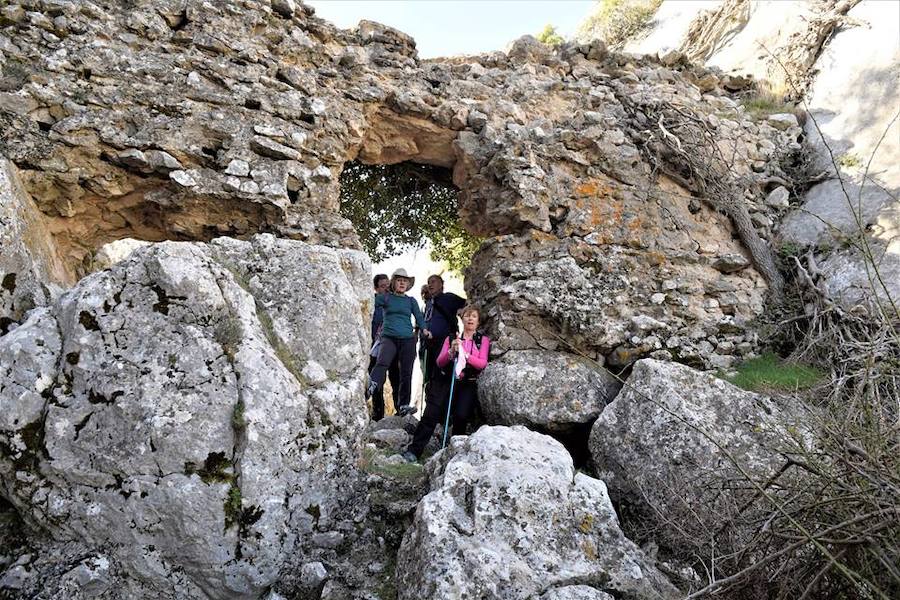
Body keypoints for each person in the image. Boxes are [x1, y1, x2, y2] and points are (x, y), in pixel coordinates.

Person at [402, 305, 489, 462]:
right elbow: (440, 362)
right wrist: (451, 352)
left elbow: (482, 363)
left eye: (474, 316)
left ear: (478, 321)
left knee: (462, 416)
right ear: (462, 319)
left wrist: (465, 355)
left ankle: (455, 456)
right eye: (467, 315)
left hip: (467, 382)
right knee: (431, 413)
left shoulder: (482, 341)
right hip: (446, 379)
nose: (470, 318)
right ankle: (414, 451)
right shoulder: (451, 339)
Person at [367, 268, 431, 417]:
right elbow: (370, 302)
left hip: (407, 340)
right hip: (388, 337)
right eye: (399, 280)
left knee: (406, 372)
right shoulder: (386, 298)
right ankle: (372, 385)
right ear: (394, 283)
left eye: (405, 281)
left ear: (408, 285)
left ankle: (403, 405)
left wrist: (425, 330)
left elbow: (418, 317)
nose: (402, 283)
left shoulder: (411, 301)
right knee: (382, 362)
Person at [421, 274, 466, 395]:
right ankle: (432, 401)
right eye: (429, 282)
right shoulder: (429, 303)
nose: (430, 284)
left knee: (442, 371)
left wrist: (462, 313)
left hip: (445, 342)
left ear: (441, 285)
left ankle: (443, 402)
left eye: (434, 281)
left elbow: (467, 305)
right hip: (429, 344)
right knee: (430, 374)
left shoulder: (448, 298)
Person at [368, 274, 399, 421]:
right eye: (382, 286)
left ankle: (400, 412)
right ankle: (378, 414)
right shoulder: (373, 304)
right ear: (376, 288)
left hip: (393, 347)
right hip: (375, 349)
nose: (386, 288)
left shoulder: (395, 301)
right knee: (376, 380)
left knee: (396, 378)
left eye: (388, 285)